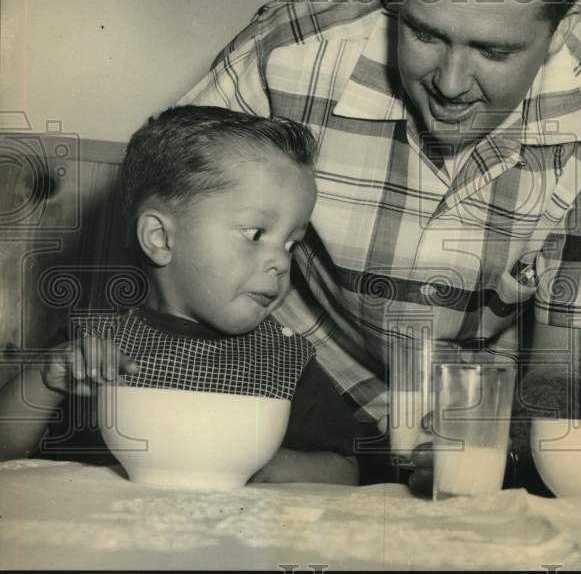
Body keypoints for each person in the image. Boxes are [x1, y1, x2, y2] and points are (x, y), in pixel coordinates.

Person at [179, 0, 581, 489]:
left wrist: (484, 459)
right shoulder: (287, 57)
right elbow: (168, 235)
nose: (451, 83)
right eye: (426, 33)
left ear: (564, 27)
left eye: (492, 50)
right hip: (286, 390)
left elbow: (560, 376)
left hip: (486, 432)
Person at [0, 105, 366, 485]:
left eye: (291, 244)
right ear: (160, 238)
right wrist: (47, 379)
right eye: (256, 234)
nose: (279, 260)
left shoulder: (285, 361)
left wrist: (266, 465)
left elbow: (345, 469)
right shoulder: (93, 348)